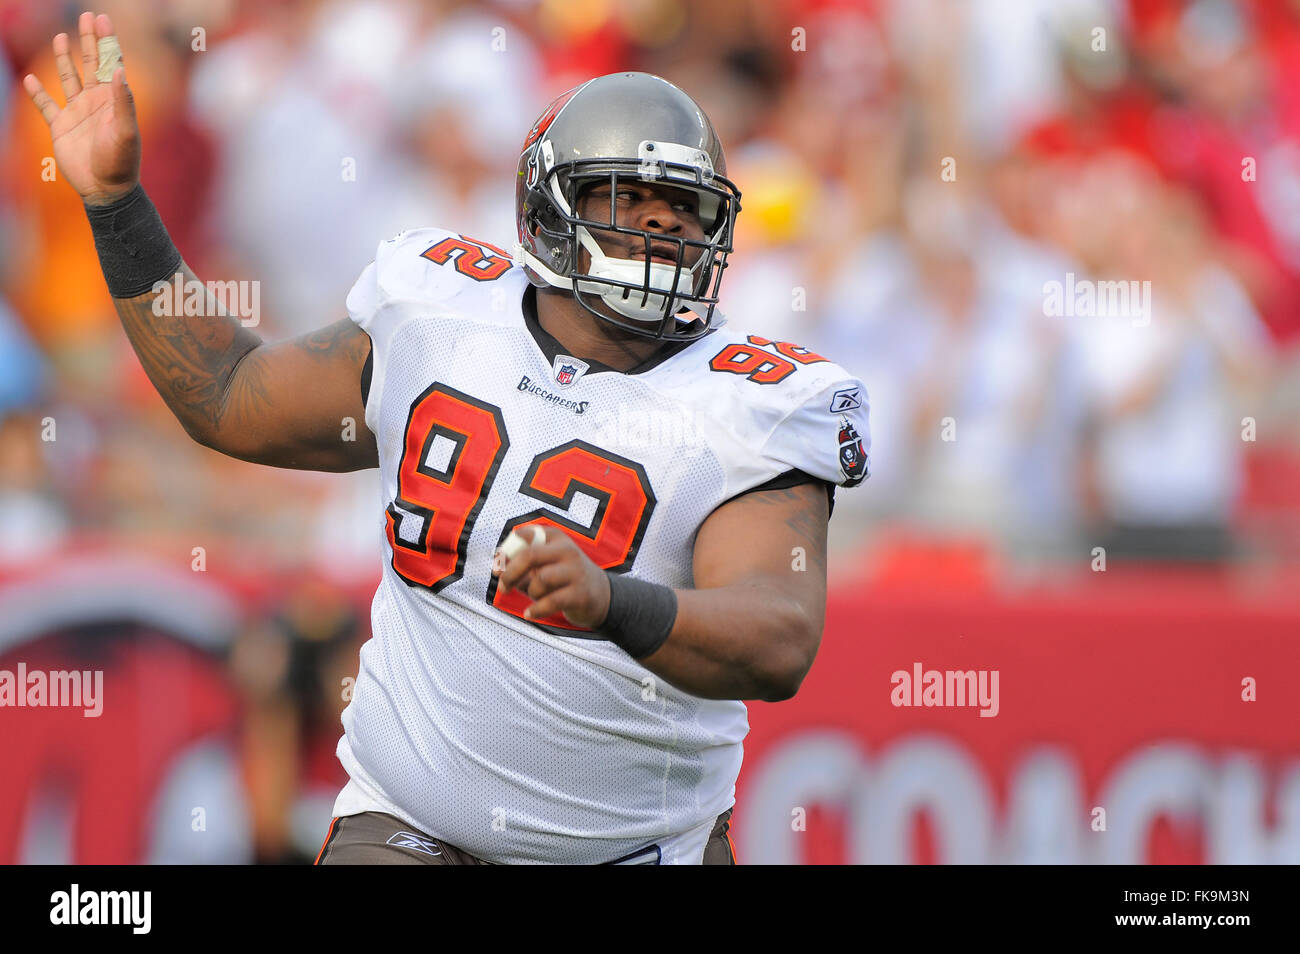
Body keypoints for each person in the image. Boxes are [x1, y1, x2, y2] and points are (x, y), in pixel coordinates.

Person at [25, 12, 872, 865]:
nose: (661, 230)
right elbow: (229, 396)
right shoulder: (438, 316)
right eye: (625, 201)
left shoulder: (754, 399)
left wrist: (613, 602)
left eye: (683, 210)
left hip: (637, 851)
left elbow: (776, 637)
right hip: (407, 831)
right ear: (549, 210)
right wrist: (119, 206)